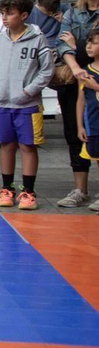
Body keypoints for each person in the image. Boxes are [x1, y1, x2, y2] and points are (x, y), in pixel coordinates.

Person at [0, 0, 55, 210]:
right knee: (6, 146)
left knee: (27, 146)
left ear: (24, 16)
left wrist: (29, 90)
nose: (4, 18)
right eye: (2, 14)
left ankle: (28, 192)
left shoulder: (38, 39)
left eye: (10, 13)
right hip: (2, 104)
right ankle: (7, 189)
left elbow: (47, 70)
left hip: (27, 105)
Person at [55, 0, 99, 208]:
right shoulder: (73, 13)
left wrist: (78, 44)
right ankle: (80, 189)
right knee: (75, 131)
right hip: (76, 79)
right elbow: (62, 44)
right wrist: (74, 65)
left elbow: (89, 46)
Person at [76, 27, 99, 213]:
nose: (89, 46)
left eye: (94, 43)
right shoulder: (85, 71)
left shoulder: (91, 78)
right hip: (93, 123)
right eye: (88, 43)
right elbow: (81, 100)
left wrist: (96, 86)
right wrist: (79, 125)